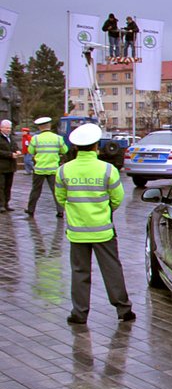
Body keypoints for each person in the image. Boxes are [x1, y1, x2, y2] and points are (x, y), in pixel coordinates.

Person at [56, 123, 134, 325]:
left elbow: (61, 198)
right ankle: (123, 309)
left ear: (75, 147)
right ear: (96, 146)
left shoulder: (64, 171)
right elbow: (117, 198)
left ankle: (79, 313)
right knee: (112, 269)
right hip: (103, 231)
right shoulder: (107, 170)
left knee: (80, 271)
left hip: (77, 231)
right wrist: (105, 211)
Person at [25, 117, 68, 218]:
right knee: (56, 191)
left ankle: (31, 210)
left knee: (35, 190)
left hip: (39, 169)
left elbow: (30, 151)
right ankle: (60, 211)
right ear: (49, 126)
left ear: (40, 127)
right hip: (53, 169)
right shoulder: (58, 138)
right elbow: (64, 150)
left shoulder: (35, 138)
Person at [0, 120, 20, 213]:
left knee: (8, 186)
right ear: (1, 128)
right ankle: (1, 205)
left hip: (10, 167)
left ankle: (6, 204)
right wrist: (10, 154)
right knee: (1, 186)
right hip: (1, 167)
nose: (8, 130)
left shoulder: (11, 137)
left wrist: (17, 151)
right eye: (7, 128)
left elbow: (14, 146)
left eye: (9, 128)